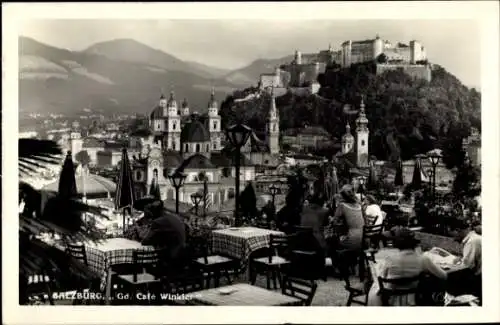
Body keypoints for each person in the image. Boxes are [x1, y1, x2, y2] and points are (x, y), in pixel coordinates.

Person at [368, 227, 447, 306]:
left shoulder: (390, 260)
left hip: (390, 301)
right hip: (414, 300)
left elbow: (381, 278)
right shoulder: (423, 259)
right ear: (414, 244)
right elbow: (444, 276)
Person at [326, 184, 365, 252]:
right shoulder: (359, 205)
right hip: (361, 241)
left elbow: (334, 221)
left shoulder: (342, 205)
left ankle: (336, 261)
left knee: (329, 240)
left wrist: (330, 219)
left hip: (350, 241)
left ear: (342, 196)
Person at [451, 219, 482, 302]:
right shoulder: (474, 238)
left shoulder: (471, 242)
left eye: (453, 235)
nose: (453, 239)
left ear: (457, 230)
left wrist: (456, 263)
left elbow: (466, 267)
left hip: (479, 281)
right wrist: (461, 258)